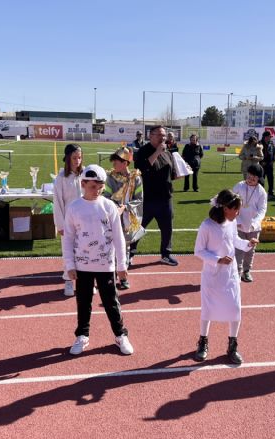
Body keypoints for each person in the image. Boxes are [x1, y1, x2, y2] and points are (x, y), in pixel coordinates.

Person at [63, 164, 134, 356]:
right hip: (82, 265)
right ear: (83, 184)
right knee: (83, 302)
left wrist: (121, 265)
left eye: (100, 187)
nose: (97, 191)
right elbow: (68, 238)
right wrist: (69, 266)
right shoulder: (74, 208)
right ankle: (82, 335)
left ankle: (120, 335)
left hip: (105, 265)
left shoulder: (108, 206)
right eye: (93, 186)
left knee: (111, 301)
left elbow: (119, 237)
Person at [193, 189, 258, 364]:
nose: (238, 213)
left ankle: (232, 345)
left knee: (235, 310)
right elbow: (198, 251)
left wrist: (247, 244)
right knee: (207, 310)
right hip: (212, 276)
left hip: (230, 276)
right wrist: (217, 260)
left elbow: (234, 240)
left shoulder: (231, 222)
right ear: (225, 208)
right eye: (235, 209)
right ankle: (203, 342)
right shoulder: (207, 226)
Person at [132, 125, 179, 266]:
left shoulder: (168, 153)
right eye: (159, 135)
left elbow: (173, 174)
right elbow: (141, 170)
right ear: (150, 136)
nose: (162, 138)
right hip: (147, 198)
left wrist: (180, 173)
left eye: (164, 135)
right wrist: (157, 152)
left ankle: (166, 254)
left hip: (165, 198)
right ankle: (130, 254)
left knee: (167, 229)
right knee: (138, 228)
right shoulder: (143, 151)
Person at [104, 146, 144, 290]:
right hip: (112, 217)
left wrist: (125, 207)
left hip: (128, 218)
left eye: (116, 161)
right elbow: (106, 197)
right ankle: (111, 274)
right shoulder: (110, 177)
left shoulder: (136, 178)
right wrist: (115, 208)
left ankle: (123, 277)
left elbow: (139, 199)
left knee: (125, 248)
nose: (113, 164)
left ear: (125, 163)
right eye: (113, 161)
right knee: (111, 246)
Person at [53, 143, 84, 296]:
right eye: (74, 158)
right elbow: (57, 203)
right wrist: (60, 224)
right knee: (68, 253)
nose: (77, 161)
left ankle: (84, 281)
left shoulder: (85, 174)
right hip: (68, 223)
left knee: (84, 251)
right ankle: (68, 281)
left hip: (85, 222)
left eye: (79, 157)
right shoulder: (61, 178)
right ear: (67, 159)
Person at [232, 165, 267, 283]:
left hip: (253, 227)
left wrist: (255, 223)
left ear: (258, 179)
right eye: (249, 176)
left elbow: (262, 210)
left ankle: (246, 271)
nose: (251, 179)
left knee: (250, 250)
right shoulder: (239, 186)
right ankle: (237, 271)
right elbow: (232, 203)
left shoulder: (261, 192)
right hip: (239, 224)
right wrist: (238, 221)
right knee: (238, 249)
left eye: (254, 178)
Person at [258, 131, 275, 200]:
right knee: (262, 179)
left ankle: (271, 193)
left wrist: (274, 159)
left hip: (270, 164)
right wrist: (261, 161)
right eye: (269, 136)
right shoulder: (259, 143)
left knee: (271, 179)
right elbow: (257, 153)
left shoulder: (271, 143)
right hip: (262, 165)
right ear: (265, 137)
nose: (270, 138)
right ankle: (261, 194)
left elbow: (274, 151)